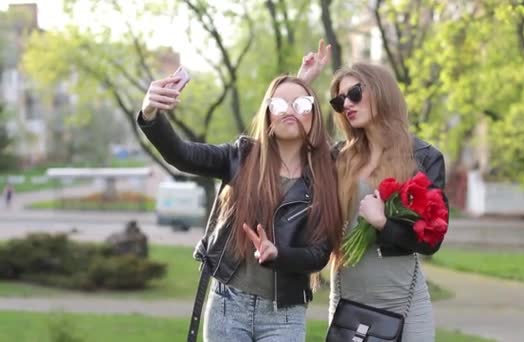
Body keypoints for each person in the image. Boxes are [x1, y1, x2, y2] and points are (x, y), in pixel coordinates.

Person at [136, 74, 342, 342]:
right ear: (268, 113)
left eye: (301, 104)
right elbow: (181, 154)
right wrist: (150, 112)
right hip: (228, 304)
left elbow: (318, 255)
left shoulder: (327, 175)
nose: (290, 111)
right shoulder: (240, 157)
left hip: (285, 314)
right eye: (279, 104)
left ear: (314, 113)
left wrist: (278, 254)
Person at [298, 41, 448, 342]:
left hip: (406, 307)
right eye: (340, 101)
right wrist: (302, 83)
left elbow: (431, 242)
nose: (348, 104)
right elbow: (286, 140)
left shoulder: (423, 158)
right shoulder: (338, 158)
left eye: (355, 93)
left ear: (381, 92)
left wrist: (382, 223)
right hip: (347, 304)